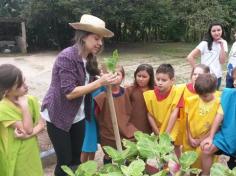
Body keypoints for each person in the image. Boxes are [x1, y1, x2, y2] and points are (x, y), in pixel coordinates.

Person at [41, 14, 117, 176]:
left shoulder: (89, 57)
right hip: (58, 116)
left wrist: (110, 78)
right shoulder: (67, 57)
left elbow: (94, 77)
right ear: (83, 37)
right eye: (96, 38)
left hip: (78, 115)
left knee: (76, 160)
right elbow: (69, 93)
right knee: (65, 162)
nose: (100, 43)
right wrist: (99, 82)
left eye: (101, 39)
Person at [0, 64, 44, 176]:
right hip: (16, 156)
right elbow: (28, 129)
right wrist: (24, 107)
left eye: (24, 81)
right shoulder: (3, 108)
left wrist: (28, 134)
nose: (25, 86)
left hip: (32, 152)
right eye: (19, 85)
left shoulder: (31, 100)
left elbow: (41, 125)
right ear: (7, 91)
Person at [94, 65, 138, 164]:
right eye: (110, 74)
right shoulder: (101, 96)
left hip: (126, 130)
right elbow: (96, 115)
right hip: (109, 133)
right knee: (109, 154)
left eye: (117, 74)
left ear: (123, 77)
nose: (114, 76)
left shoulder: (127, 92)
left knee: (129, 153)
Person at [143, 64, 185, 155]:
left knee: (174, 147)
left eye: (164, 80)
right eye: (157, 79)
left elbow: (175, 113)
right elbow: (149, 115)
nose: (160, 82)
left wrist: (166, 134)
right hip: (158, 129)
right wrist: (157, 132)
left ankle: (179, 167)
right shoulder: (149, 95)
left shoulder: (177, 92)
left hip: (173, 128)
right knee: (162, 154)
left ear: (172, 80)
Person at [183, 73, 222, 169]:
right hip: (191, 139)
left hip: (206, 140)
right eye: (199, 95)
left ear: (214, 90)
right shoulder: (191, 100)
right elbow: (187, 119)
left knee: (203, 165)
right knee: (190, 164)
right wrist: (189, 136)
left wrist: (201, 140)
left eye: (205, 96)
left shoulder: (219, 103)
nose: (201, 98)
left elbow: (217, 126)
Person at [200, 87, 236, 175]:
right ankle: (205, 174)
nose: (234, 82)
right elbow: (219, 116)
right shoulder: (229, 94)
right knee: (206, 149)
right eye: (234, 79)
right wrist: (210, 137)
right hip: (227, 134)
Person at [175, 64, 210, 146]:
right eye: (194, 74)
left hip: (202, 128)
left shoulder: (210, 93)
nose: (196, 77)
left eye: (200, 75)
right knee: (178, 145)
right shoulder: (183, 89)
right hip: (185, 125)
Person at [187, 22, 228, 89]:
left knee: (214, 97)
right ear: (210, 32)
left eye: (219, 30)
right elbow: (190, 57)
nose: (217, 33)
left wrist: (222, 46)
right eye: (214, 31)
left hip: (217, 77)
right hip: (204, 77)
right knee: (203, 97)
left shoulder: (224, 43)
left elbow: (222, 61)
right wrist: (197, 70)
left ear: (222, 30)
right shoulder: (204, 43)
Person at [126, 64, 154, 134]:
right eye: (139, 76)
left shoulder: (155, 91)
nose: (141, 79)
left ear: (150, 77)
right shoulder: (130, 90)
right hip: (133, 125)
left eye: (144, 77)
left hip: (149, 125)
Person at [80, 87, 105, 163]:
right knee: (88, 143)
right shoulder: (88, 82)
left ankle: (90, 167)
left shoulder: (103, 86)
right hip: (89, 117)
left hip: (98, 117)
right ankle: (83, 168)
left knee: (92, 144)